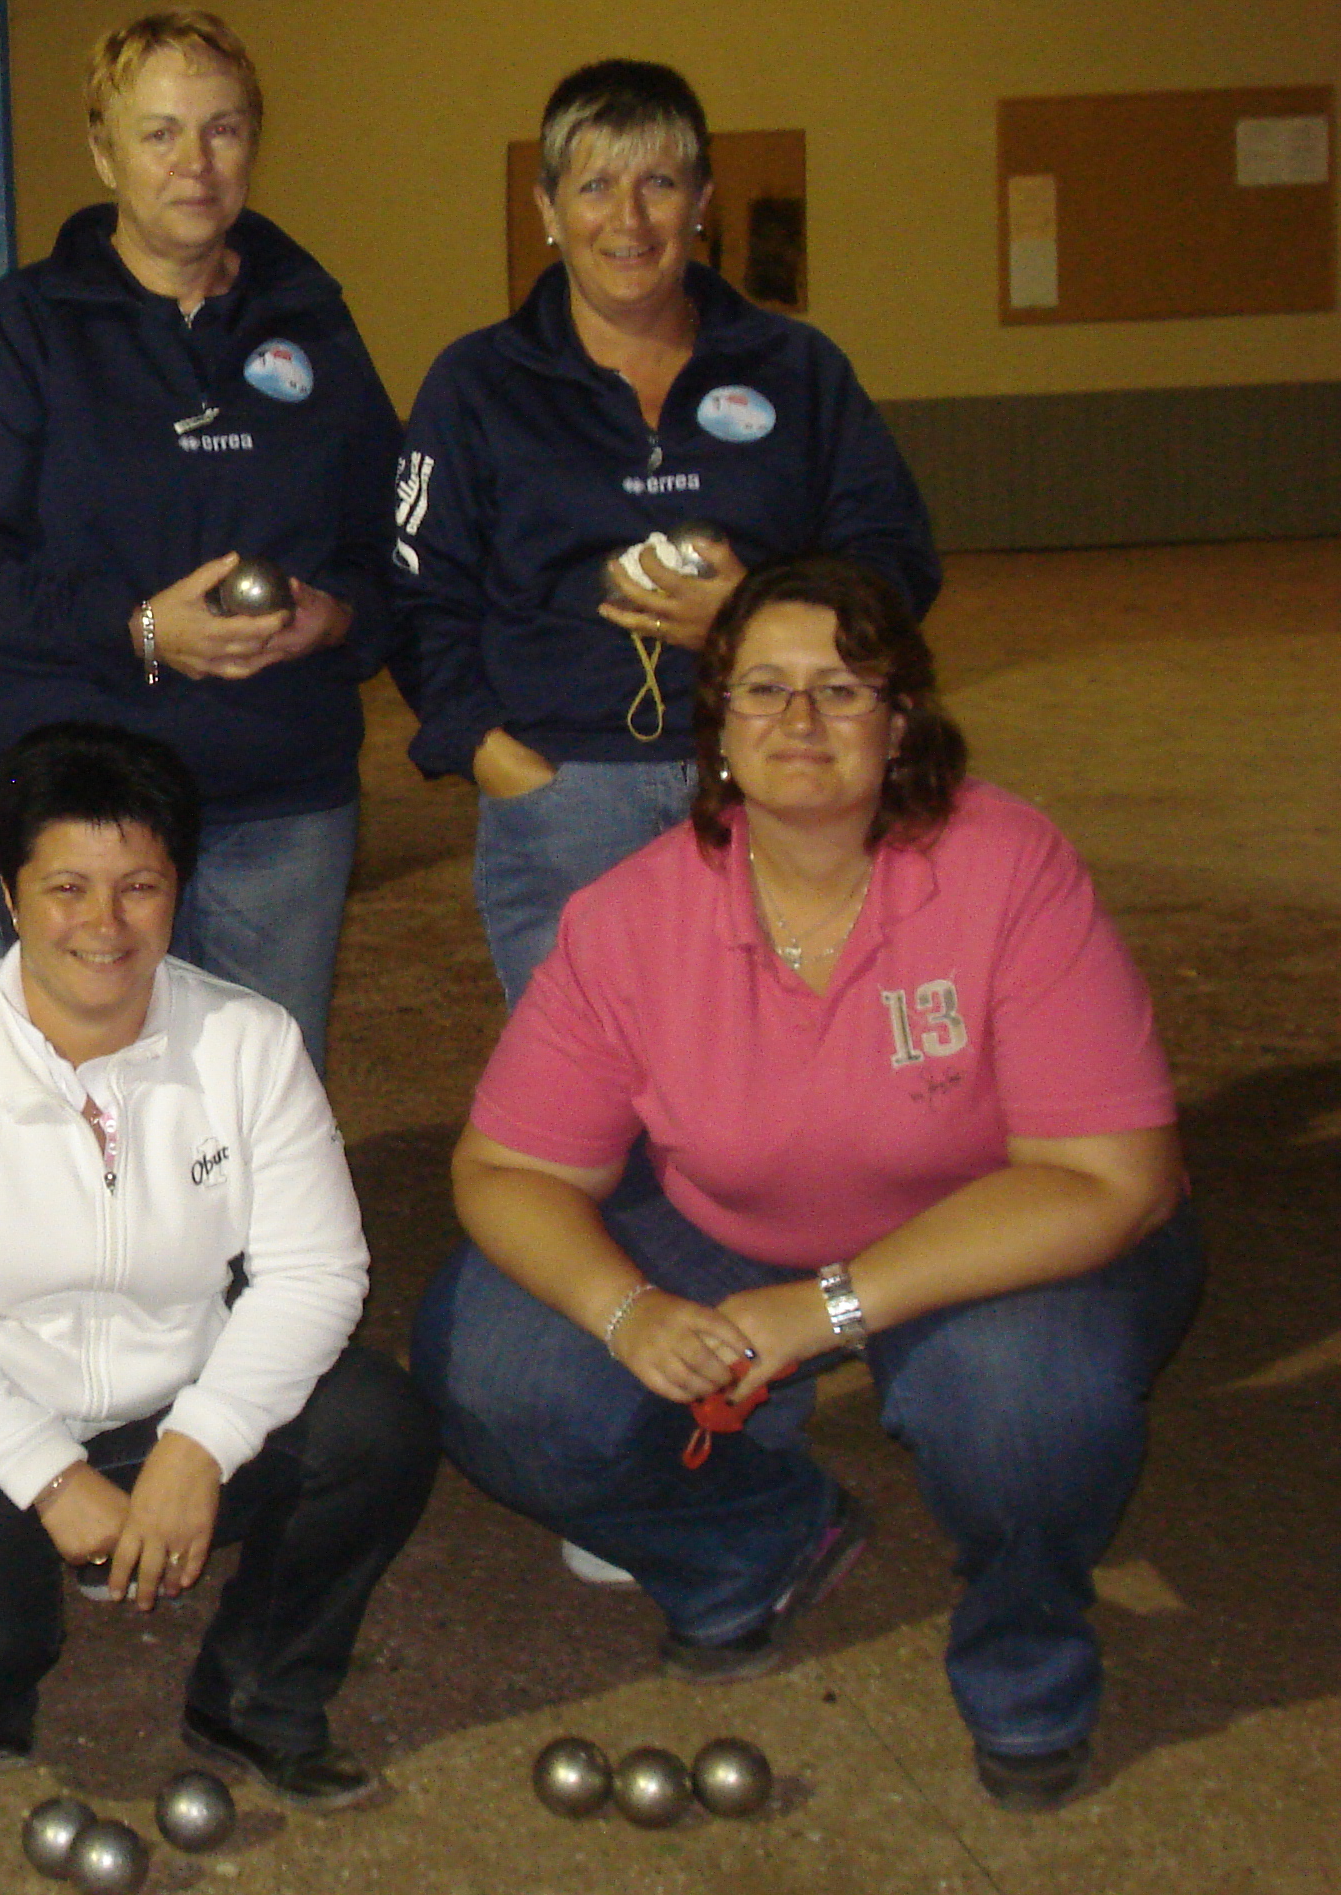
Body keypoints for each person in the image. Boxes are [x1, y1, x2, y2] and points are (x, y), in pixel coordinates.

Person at [411, 559, 1199, 1813]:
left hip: (994, 1232)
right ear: (716, 729)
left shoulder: (1007, 865)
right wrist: (628, 1309)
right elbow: (506, 1171)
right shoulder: (631, 917)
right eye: (764, 689)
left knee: (1025, 1400)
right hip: (731, 1223)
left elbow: (1117, 1178)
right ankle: (756, 1542)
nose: (800, 721)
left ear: (902, 724)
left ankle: (1027, 1656)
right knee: (497, 1368)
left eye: (842, 689)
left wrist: (831, 1307)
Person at [0, 723, 438, 1803]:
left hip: (165, 1401)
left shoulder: (249, 1042)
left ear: (178, 890)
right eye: (65, 887)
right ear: (10, 897)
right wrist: (50, 1479)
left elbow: (318, 1275)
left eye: (139, 886)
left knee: (377, 1427)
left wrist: (200, 1447)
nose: (103, 925)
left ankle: (256, 1692)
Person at [0, 11, 401, 1075]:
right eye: (160, 133)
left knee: (256, 1107)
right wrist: (136, 629)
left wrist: (336, 619)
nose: (195, 164)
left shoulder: (315, 324)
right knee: (67, 1117)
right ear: (103, 151)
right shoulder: (21, 331)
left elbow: (395, 544)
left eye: (222, 131)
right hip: (76, 820)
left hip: (278, 803)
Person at [391, 58, 939, 1007]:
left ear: (703, 202)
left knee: (776, 1078)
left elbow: (896, 561)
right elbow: (415, 591)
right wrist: (495, 757)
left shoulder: (797, 370)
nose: (629, 220)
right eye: (596, 185)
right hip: (562, 798)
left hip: (771, 778)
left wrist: (758, 617)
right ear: (548, 209)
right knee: (595, 1108)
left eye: (660, 183)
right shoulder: (476, 385)